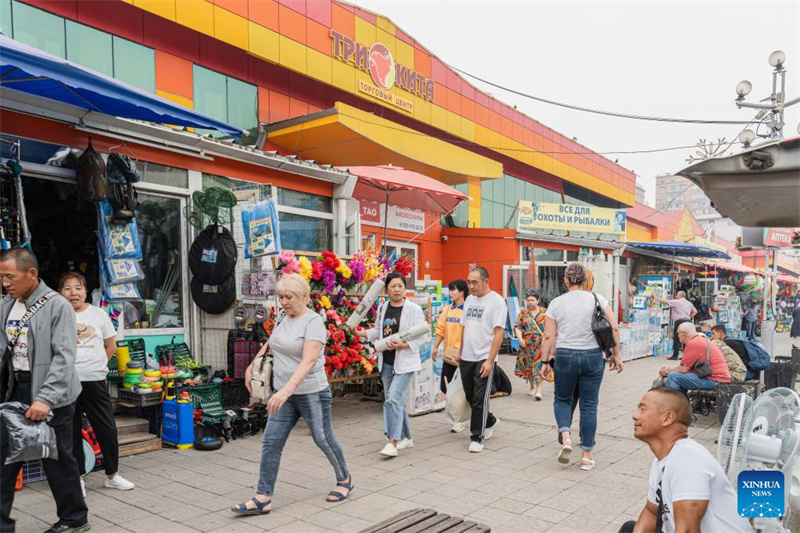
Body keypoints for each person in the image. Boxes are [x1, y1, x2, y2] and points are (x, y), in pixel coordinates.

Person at [233, 273, 351, 515]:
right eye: (281, 297)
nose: (283, 302)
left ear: (305, 296)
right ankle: (263, 497)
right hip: (283, 393)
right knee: (271, 441)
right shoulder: (283, 317)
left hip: (311, 392)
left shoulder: (314, 322)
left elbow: (308, 361)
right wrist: (252, 365)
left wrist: (285, 391)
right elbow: (271, 343)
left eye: (289, 297)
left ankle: (345, 479)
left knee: (323, 438)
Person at [0, 248, 89, 533]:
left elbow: (64, 357)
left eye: (9, 276)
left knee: (57, 459)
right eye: (1, 277)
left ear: (32, 274)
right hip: (14, 390)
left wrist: (44, 399)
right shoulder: (5, 305)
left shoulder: (56, 305)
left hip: (52, 395)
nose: (5, 283)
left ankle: (75, 519)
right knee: (3, 457)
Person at [619, 387, 750, 533]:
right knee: (630, 528)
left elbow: (688, 530)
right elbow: (651, 512)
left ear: (668, 418)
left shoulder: (688, 460)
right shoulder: (662, 461)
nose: (635, 416)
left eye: (642, 410)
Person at [541, 262, 623, 471]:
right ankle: (586, 455)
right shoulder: (598, 299)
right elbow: (613, 327)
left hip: (565, 355)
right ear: (586, 280)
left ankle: (566, 437)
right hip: (593, 357)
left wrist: (544, 361)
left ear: (566, 280)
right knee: (589, 405)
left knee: (562, 398)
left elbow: (549, 335)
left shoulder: (556, 303)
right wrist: (617, 355)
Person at [58, 273, 135, 496]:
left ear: (85, 291)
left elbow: (110, 346)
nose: (73, 293)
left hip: (95, 380)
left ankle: (112, 475)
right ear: (60, 293)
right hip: (67, 382)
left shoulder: (98, 314)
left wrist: (97, 362)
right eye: (67, 289)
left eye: (78, 288)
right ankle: (78, 478)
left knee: (107, 428)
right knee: (71, 430)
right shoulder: (56, 315)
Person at [353, 272, 428, 458]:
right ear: (386, 290)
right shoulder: (383, 307)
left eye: (400, 286)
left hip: (406, 362)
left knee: (392, 399)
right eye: (393, 286)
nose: (397, 289)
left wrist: (404, 344)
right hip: (387, 362)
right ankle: (407, 437)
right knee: (397, 401)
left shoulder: (414, 309)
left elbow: (424, 335)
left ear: (405, 288)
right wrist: (360, 333)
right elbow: (379, 330)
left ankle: (392, 441)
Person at [456, 266, 506, 453]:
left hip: (484, 356)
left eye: (474, 282)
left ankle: (477, 437)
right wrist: (460, 352)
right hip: (467, 356)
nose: (470, 286)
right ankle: (490, 421)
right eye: (469, 282)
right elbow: (464, 327)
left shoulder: (497, 302)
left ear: (486, 281)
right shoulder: (469, 300)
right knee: (470, 396)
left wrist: (490, 360)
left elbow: (499, 332)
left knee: (479, 399)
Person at [432, 279, 467, 433]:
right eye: (450, 289)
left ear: (462, 291)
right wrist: (435, 347)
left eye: (454, 290)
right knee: (445, 387)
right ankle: (458, 416)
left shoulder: (468, 310)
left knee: (462, 388)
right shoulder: (447, 309)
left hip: (464, 356)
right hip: (449, 355)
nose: (450, 293)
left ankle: (459, 420)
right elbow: (440, 330)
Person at [658, 322, 730, 394]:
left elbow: (683, 369)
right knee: (679, 376)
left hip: (715, 381)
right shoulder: (700, 339)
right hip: (719, 379)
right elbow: (685, 369)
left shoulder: (693, 343)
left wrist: (667, 370)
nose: (677, 336)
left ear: (684, 334)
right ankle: (683, 402)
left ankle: (674, 404)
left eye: (678, 333)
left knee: (673, 376)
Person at [513, 290, 547, 400]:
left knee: (539, 366)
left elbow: (550, 328)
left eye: (532, 300)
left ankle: (539, 391)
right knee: (529, 367)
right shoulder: (523, 313)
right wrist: (520, 338)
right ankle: (532, 386)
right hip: (526, 345)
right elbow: (517, 327)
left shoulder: (545, 313)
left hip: (540, 345)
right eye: (528, 300)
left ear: (538, 301)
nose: (530, 302)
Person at [652, 291, 697, 360]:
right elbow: (695, 311)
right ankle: (686, 356)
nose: (676, 296)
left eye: (677, 295)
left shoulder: (677, 302)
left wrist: (655, 297)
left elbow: (665, 301)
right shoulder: (689, 303)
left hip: (679, 321)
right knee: (687, 338)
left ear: (680, 296)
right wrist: (689, 317)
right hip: (687, 321)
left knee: (677, 337)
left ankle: (675, 355)